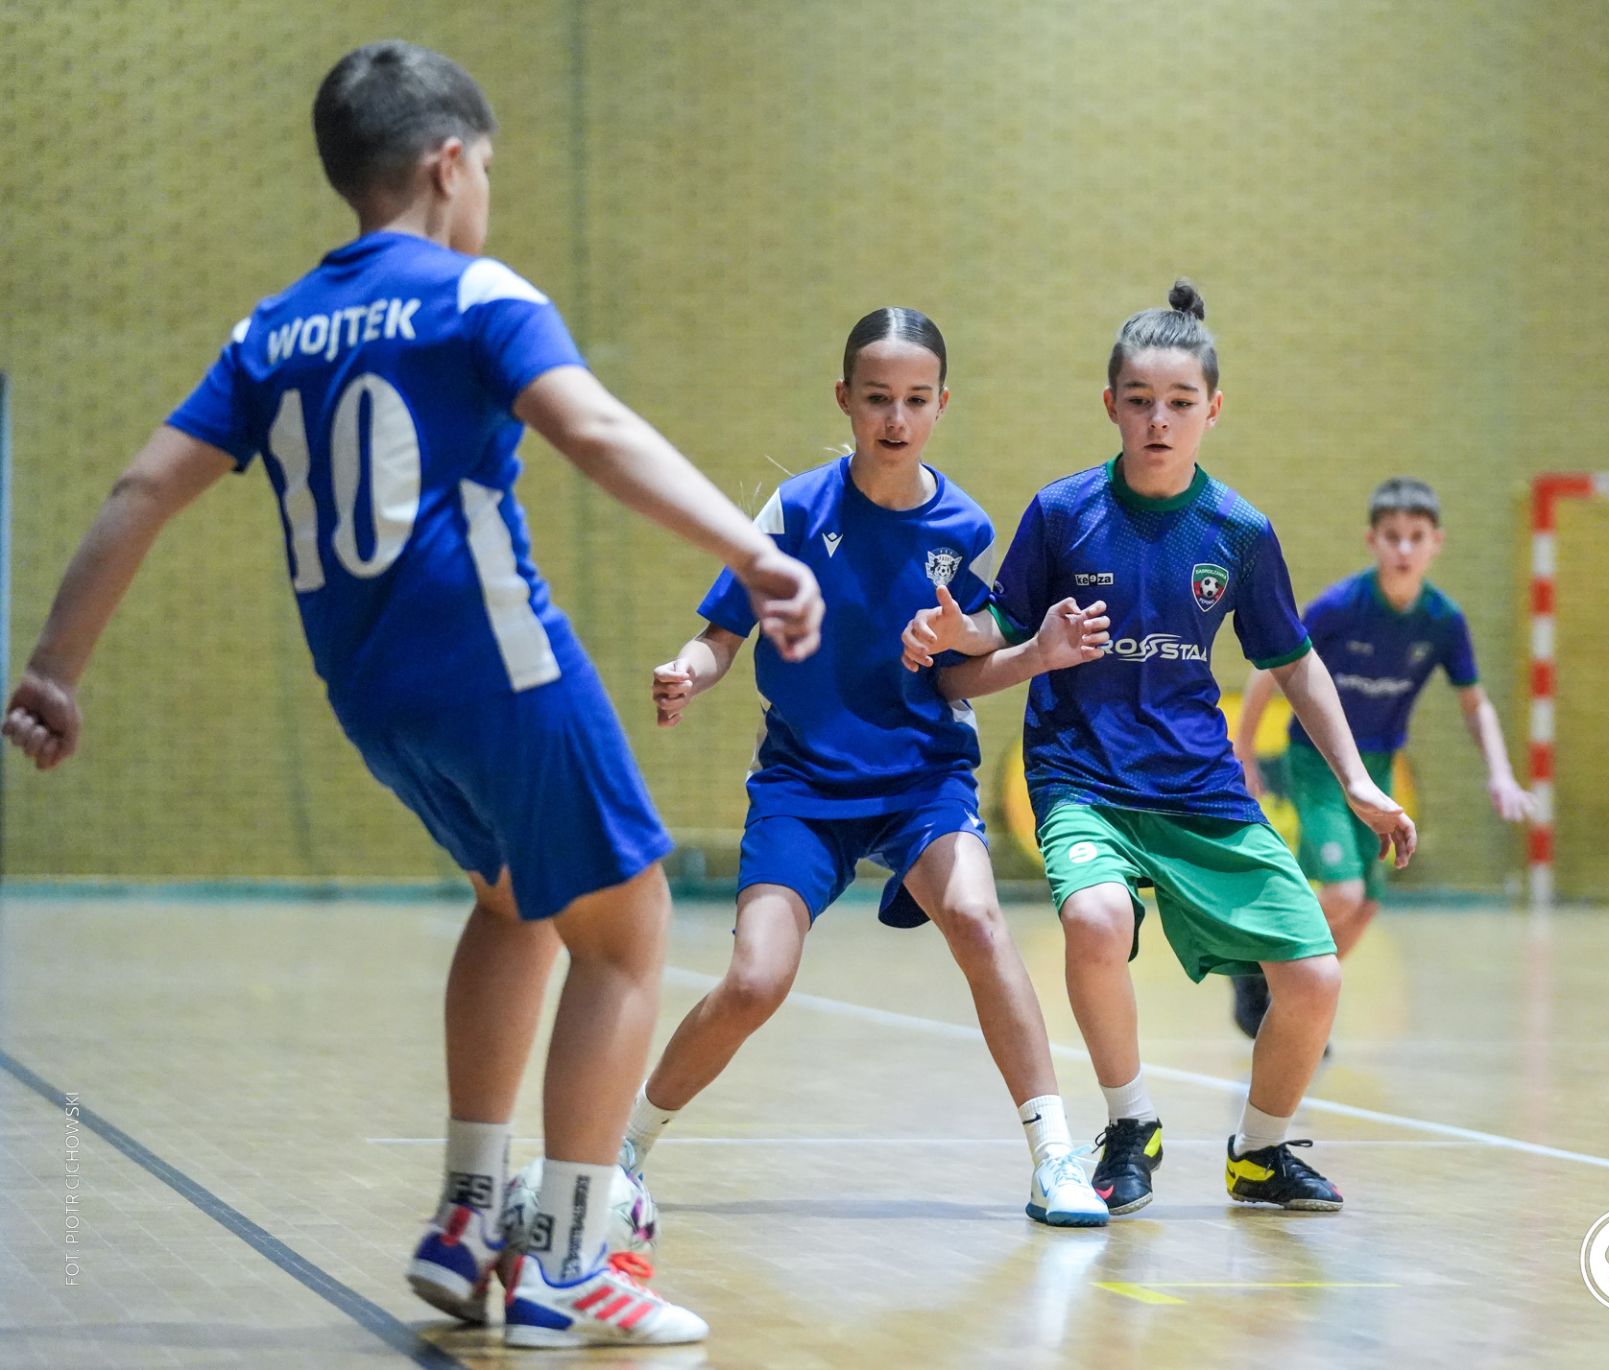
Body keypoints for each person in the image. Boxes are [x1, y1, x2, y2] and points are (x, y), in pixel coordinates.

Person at [1, 41, 823, 1350]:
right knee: (629, 924)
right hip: (502, 665)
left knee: (514, 903)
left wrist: (52, 669)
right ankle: (562, 1256)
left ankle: (464, 1214)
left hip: (375, 695)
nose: (486, 191)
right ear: (450, 164)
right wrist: (753, 548)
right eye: (485, 168)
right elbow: (596, 433)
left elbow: (138, 488)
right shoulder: (474, 293)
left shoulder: (269, 328)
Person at [902, 280, 1415, 1216]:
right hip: (1082, 780)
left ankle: (1260, 1154)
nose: (1159, 420)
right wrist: (956, 630)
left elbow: (1296, 664)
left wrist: (1356, 783)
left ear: (1212, 410)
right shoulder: (1062, 514)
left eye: (1180, 404)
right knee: (1097, 920)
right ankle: (1129, 1124)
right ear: (1111, 406)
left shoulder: (1240, 533)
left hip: (1201, 790)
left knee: (1313, 974)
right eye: (1139, 401)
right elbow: (996, 625)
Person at [611, 308, 1109, 1228]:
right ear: (845, 399)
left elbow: (960, 668)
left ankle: (1053, 1157)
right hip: (804, 786)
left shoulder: (963, 525)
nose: (896, 417)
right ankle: (626, 1150)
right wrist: (691, 669)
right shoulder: (798, 510)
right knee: (756, 980)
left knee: (976, 915)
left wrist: (1035, 654)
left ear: (941, 404)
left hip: (923, 776)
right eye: (878, 398)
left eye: (917, 400)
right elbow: (723, 633)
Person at [1226, 477, 1532, 1037]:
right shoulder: (1340, 607)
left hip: (1381, 767)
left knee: (1364, 908)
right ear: (1373, 540)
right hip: (1319, 761)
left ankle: (1294, 1014)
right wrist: (1241, 752)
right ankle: (1255, 966)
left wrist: (1501, 772)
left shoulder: (1442, 620)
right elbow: (1270, 668)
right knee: (1342, 891)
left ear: (1437, 542)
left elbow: (1474, 703)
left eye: (1417, 537)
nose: (1404, 549)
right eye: (1393, 537)